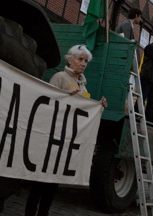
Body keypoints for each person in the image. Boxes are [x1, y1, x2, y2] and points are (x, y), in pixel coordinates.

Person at [25, 44, 107, 216]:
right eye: (80, 59)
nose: (83, 63)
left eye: (86, 61)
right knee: (40, 181)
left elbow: (83, 110)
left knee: (54, 182)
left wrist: (98, 106)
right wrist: (66, 98)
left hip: (67, 140)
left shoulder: (83, 83)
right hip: (53, 137)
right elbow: (48, 102)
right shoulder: (59, 77)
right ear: (70, 60)